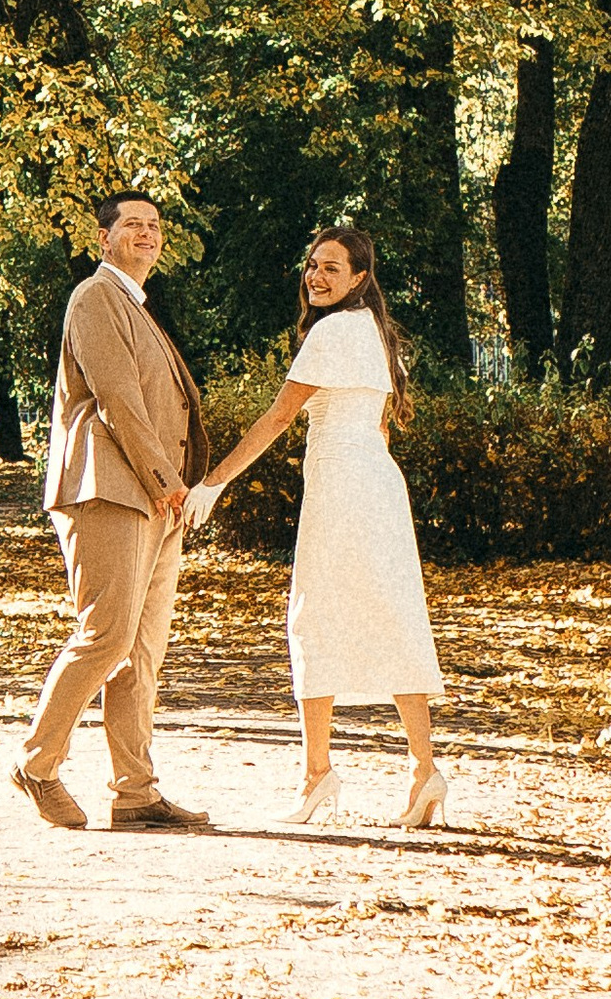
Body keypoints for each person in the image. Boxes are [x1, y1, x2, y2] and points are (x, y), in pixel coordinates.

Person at [189, 224, 447, 827]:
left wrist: (213, 482)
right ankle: (424, 769)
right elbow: (379, 428)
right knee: (393, 615)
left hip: (342, 485)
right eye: (313, 264)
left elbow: (279, 417)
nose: (317, 276)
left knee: (313, 617)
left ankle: (317, 774)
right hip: (378, 484)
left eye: (333, 268)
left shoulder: (332, 331)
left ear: (359, 278)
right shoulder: (374, 331)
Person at [12, 190, 211, 832]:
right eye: (132, 224)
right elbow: (118, 398)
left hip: (155, 497)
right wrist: (166, 481)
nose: (146, 233)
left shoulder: (136, 305)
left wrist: (173, 486)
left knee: (141, 651)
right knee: (107, 636)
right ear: (104, 237)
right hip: (107, 489)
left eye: (154, 225)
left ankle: (135, 793)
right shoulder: (95, 297)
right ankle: (37, 764)